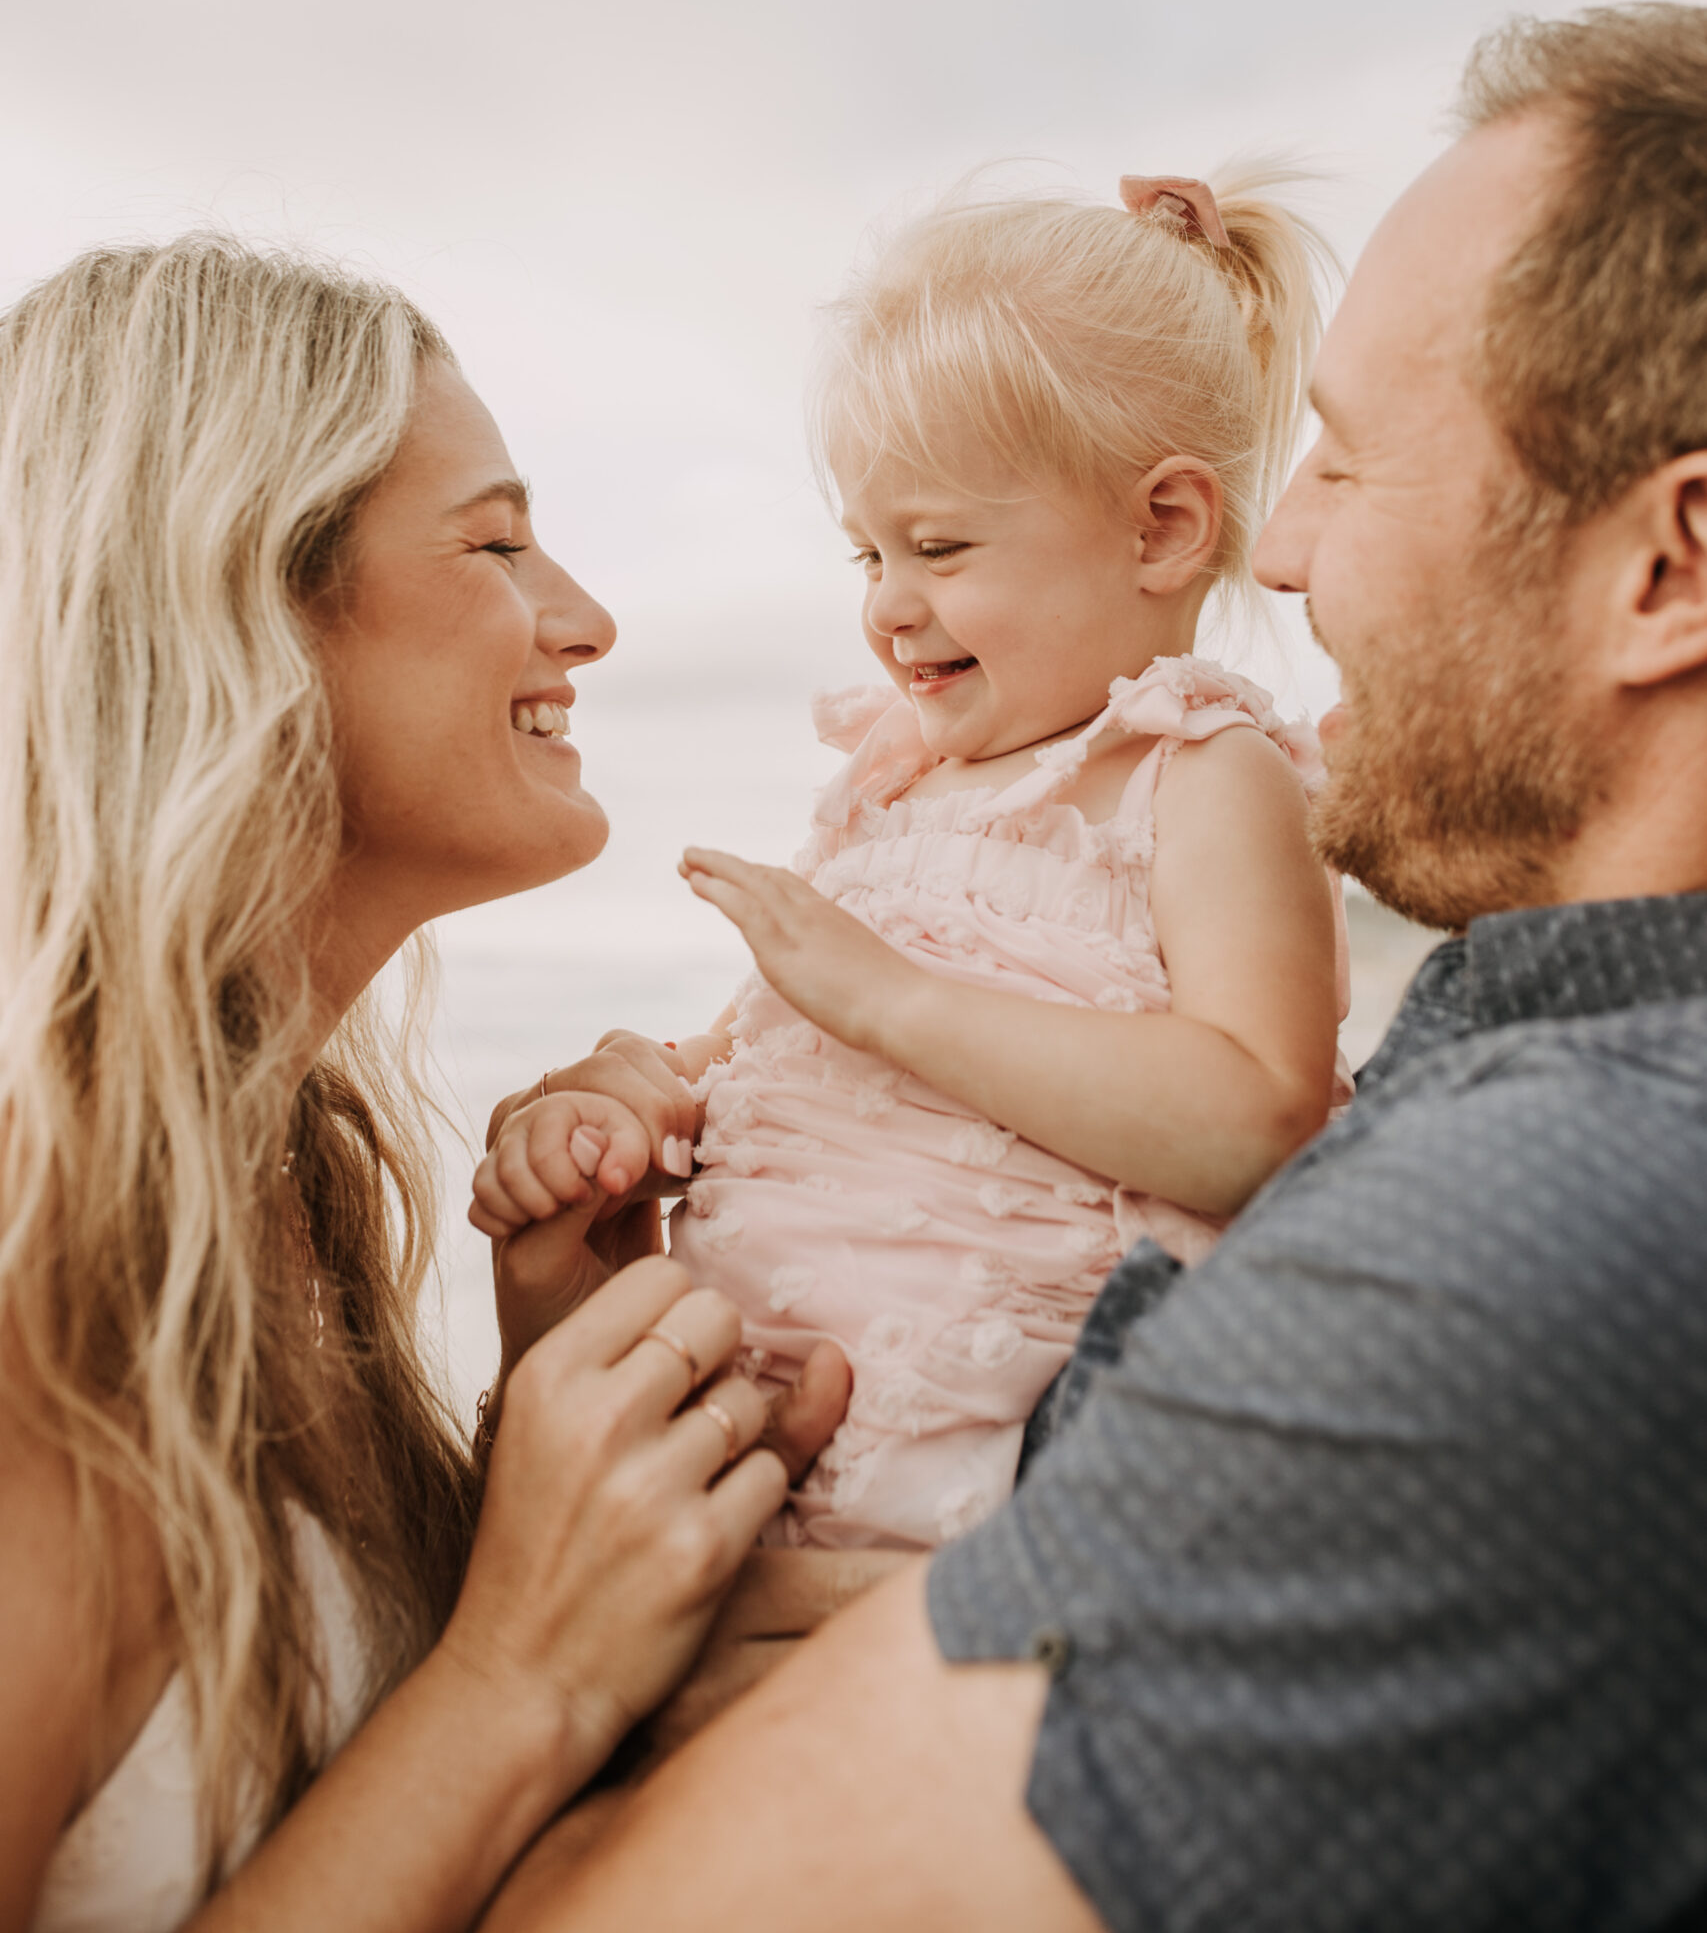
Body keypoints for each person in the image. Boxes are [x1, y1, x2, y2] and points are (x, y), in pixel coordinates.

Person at [501, 3, 1707, 1931]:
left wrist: (536, 1685)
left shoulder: (1551, 1220)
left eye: (1350, 460)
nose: (1285, 551)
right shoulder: (1512, 1078)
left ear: (1674, 566)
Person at [0, 237, 849, 1932]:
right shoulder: (35, 1261)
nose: (584, 617)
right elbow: (471, 1710)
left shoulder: (280, 1184)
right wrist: (525, 1670)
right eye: (497, 541)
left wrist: (554, 1393)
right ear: (237, 600)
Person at [475, 167, 1347, 1551]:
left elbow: (1260, 1116)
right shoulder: (893, 782)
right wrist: (632, 1118)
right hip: (745, 1441)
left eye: (938, 545)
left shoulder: (1202, 773)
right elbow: (792, 1059)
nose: (888, 606)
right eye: (866, 552)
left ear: (1163, 528)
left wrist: (893, 999)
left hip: (979, 1474)